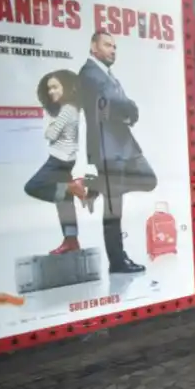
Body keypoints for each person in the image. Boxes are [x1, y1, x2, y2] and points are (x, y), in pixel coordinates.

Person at [79, 31, 157, 274]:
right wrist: (129, 109)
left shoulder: (105, 74)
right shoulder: (90, 73)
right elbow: (119, 104)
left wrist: (128, 108)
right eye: (107, 45)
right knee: (114, 211)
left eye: (115, 46)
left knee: (149, 179)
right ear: (93, 47)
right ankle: (117, 262)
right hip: (107, 148)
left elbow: (122, 105)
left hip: (122, 146)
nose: (113, 50)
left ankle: (94, 185)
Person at [24, 70, 88, 255]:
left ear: (66, 88)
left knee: (33, 186)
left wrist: (50, 125)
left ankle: (70, 187)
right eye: (49, 88)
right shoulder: (72, 108)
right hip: (67, 160)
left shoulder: (67, 109)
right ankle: (71, 240)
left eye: (55, 87)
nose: (51, 91)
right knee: (64, 202)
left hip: (58, 159)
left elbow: (50, 135)